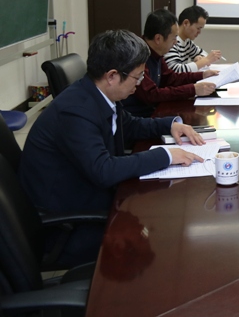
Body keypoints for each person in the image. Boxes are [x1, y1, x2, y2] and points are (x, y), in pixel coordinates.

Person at [18, 29, 206, 266]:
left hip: (88, 197)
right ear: (112, 76)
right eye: (137, 77)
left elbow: (129, 125)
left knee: (162, 219)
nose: (140, 84)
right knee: (163, 239)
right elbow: (103, 170)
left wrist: (170, 124)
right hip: (67, 226)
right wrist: (165, 156)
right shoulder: (75, 111)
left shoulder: (98, 95)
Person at [123, 9, 217, 117]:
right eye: (174, 38)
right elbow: (151, 95)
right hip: (137, 117)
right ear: (158, 38)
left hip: (153, 111)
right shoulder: (138, 56)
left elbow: (170, 78)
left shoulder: (156, 52)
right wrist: (193, 89)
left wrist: (202, 75)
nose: (176, 42)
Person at [165, 5, 223, 73]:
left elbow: (202, 53)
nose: (199, 32)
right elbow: (176, 71)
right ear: (186, 23)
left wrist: (198, 57)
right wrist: (205, 61)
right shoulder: (171, 42)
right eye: (198, 28)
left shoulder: (187, 42)